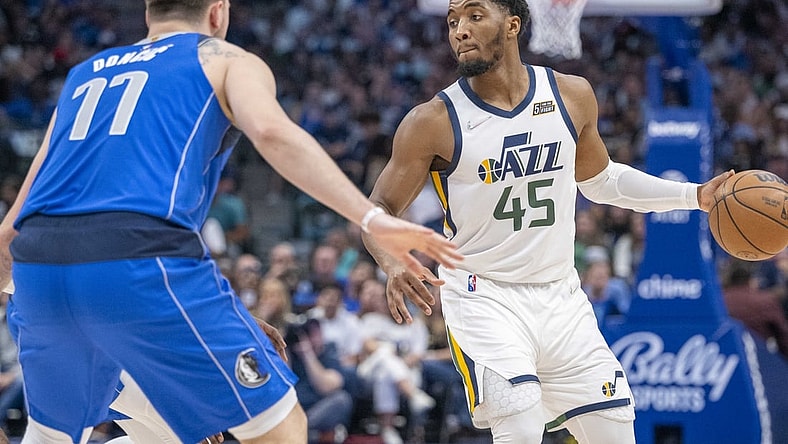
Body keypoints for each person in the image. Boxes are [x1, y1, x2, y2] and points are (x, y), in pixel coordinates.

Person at [0, 1, 461, 443]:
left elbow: (15, 226)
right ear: (218, 12)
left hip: (39, 271)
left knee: (54, 436)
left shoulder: (83, 76)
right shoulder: (224, 58)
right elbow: (273, 133)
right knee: (281, 428)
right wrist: (370, 217)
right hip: (139, 261)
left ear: (148, 13)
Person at [361, 1, 732, 443]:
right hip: (484, 296)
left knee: (616, 432)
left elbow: (602, 181)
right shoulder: (432, 121)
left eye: (475, 16)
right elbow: (376, 209)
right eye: (453, 20)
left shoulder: (570, 95)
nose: (460, 29)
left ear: (513, 24)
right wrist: (392, 260)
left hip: (561, 296)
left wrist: (694, 195)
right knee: (519, 424)